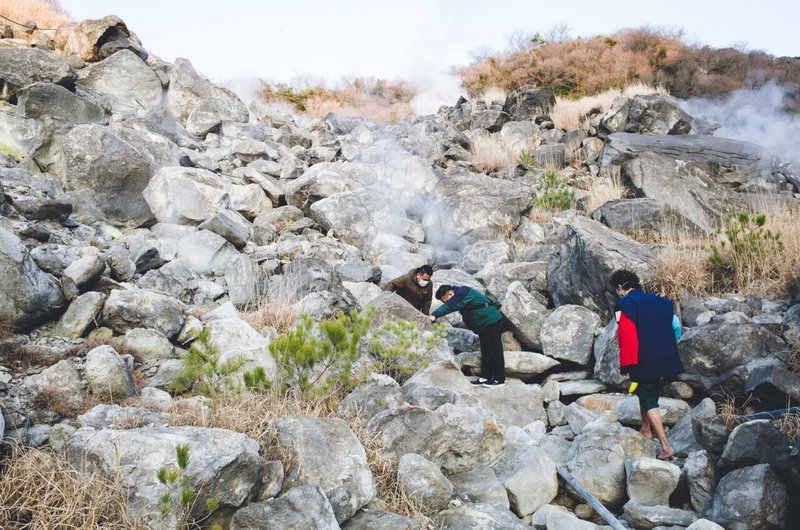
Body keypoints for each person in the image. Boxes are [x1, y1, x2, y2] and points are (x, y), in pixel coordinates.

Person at [610, 269, 684, 460]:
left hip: (644, 358)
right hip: (665, 357)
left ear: (620, 288)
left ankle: (666, 447)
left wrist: (626, 364)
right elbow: (675, 325)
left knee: (649, 399)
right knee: (647, 391)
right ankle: (646, 429)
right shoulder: (661, 302)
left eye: (616, 290)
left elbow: (626, 335)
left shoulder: (624, 305)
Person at [431, 284, 505, 387]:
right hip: (485, 325)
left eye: (445, 300)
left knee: (495, 350)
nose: (446, 302)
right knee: (486, 351)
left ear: (450, 294)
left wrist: (435, 314)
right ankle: (485, 377)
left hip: (492, 321)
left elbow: (451, 305)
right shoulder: (459, 294)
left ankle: (499, 379)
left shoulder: (462, 292)